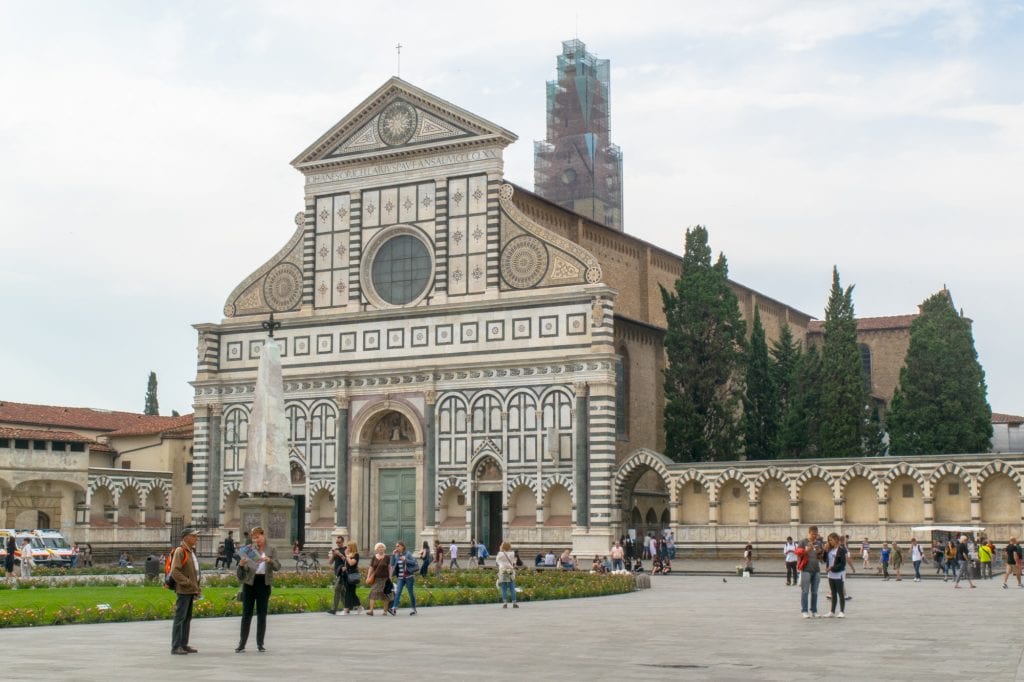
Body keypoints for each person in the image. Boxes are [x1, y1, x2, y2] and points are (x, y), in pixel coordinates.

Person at [235, 526, 281, 652]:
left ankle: (260, 644)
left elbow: (278, 566)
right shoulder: (249, 549)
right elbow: (241, 572)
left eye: (258, 537)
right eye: (254, 538)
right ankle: (242, 644)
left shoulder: (271, 549)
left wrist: (269, 560)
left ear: (263, 535)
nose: (257, 540)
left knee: (262, 614)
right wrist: (242, 565)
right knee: (246, 614)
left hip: (264, 583)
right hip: (250, 583)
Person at [170, 527, 201, 655]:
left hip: (191, 590)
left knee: (187, 618)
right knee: (180, 618)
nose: (196, 538)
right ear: (186, 537)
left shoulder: (191, 551)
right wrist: (187, 583)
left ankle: (184, 644)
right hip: (183, 590)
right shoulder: (180, 551)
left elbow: (194, 571)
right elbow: (175, 571)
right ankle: (176, 646)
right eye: (194, 536)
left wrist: (196, 586)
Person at [795, 525, 824, 618]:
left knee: (815, 592)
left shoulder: (819, 543)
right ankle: (804, 611)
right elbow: (797, 552)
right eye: (813, 534)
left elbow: (821, 558)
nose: (814, 536)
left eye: (816, 534)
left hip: (816, 570)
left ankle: (814, 611)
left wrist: (820, 552)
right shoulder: (803, 542)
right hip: (806, 569)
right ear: (809, 533)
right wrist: (806, 550)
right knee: (805, 591)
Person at [389, 541, 418, 616]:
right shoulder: (396, 555)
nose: (396, 548)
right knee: (398, 592)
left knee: (411, 593)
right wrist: (393, 555)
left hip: (408, 577)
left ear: (402, 546)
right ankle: (394, 609)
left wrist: (405, 559)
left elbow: (414, 562)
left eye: (398, 546)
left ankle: (413, 609)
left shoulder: (408, 554)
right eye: (396, 546)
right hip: (400, 577)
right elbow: (392, 564)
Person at [823, 532, 847, 618]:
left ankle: (841, 611)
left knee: (840, 593)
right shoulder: (830, 549)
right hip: (831, 574)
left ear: (836, 539)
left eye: (831, 540)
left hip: (838, 574)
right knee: (833, 593)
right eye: (829, 540)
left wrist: (832, 568)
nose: (830, 542)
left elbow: (843, 564)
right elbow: (824, 560)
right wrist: (825, 551)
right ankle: (832, 611)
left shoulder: (841, 549)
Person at [365, 543, 391, 615]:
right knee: (373, 593)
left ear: (384, 548)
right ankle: (371, 611)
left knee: (385, 595)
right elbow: (371, 567)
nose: (381, 548)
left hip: (385, 578)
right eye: (379, 547)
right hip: (376, 578)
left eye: (382, 547)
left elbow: (389, 567)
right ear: (376, 549)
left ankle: (385, 611)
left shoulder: (387, 557)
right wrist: (368, 576)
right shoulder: (374, 557)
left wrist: (390, 577)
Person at [495, 541, 518, 608]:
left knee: (504, 588)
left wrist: (500, 550)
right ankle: (514, 603)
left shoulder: (500, 554)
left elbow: (497, 562)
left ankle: (505, 603)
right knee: (512, 587)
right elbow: (513, 562)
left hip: (503, 571)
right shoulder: (512, 553)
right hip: (510, 571)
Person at [328, 536, 347, 614]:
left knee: (337, 590)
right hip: (337, 573)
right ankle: (349, 606)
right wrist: (333, 555)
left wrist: (339, 554)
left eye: (339, 542)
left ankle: (334, 609)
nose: (337, 544)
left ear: (343, 542)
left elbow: (347, 560)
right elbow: (330, 562)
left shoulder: (346, 549)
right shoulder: (336, 550)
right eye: (336, 542)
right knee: (342, 592)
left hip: (343, 573)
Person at [341, 541, 360, 614]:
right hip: (347, 574)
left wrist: (346, 555)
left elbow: (352, 563)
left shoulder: (356, 555)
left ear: (352, 547)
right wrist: (344, 568)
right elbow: (347, 564)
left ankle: (346, 609)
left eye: (348, 546)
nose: (347, 548)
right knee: (351, 592)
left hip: (352, 575)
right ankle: (359, 606)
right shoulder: (349, 554)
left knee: (349, 592)